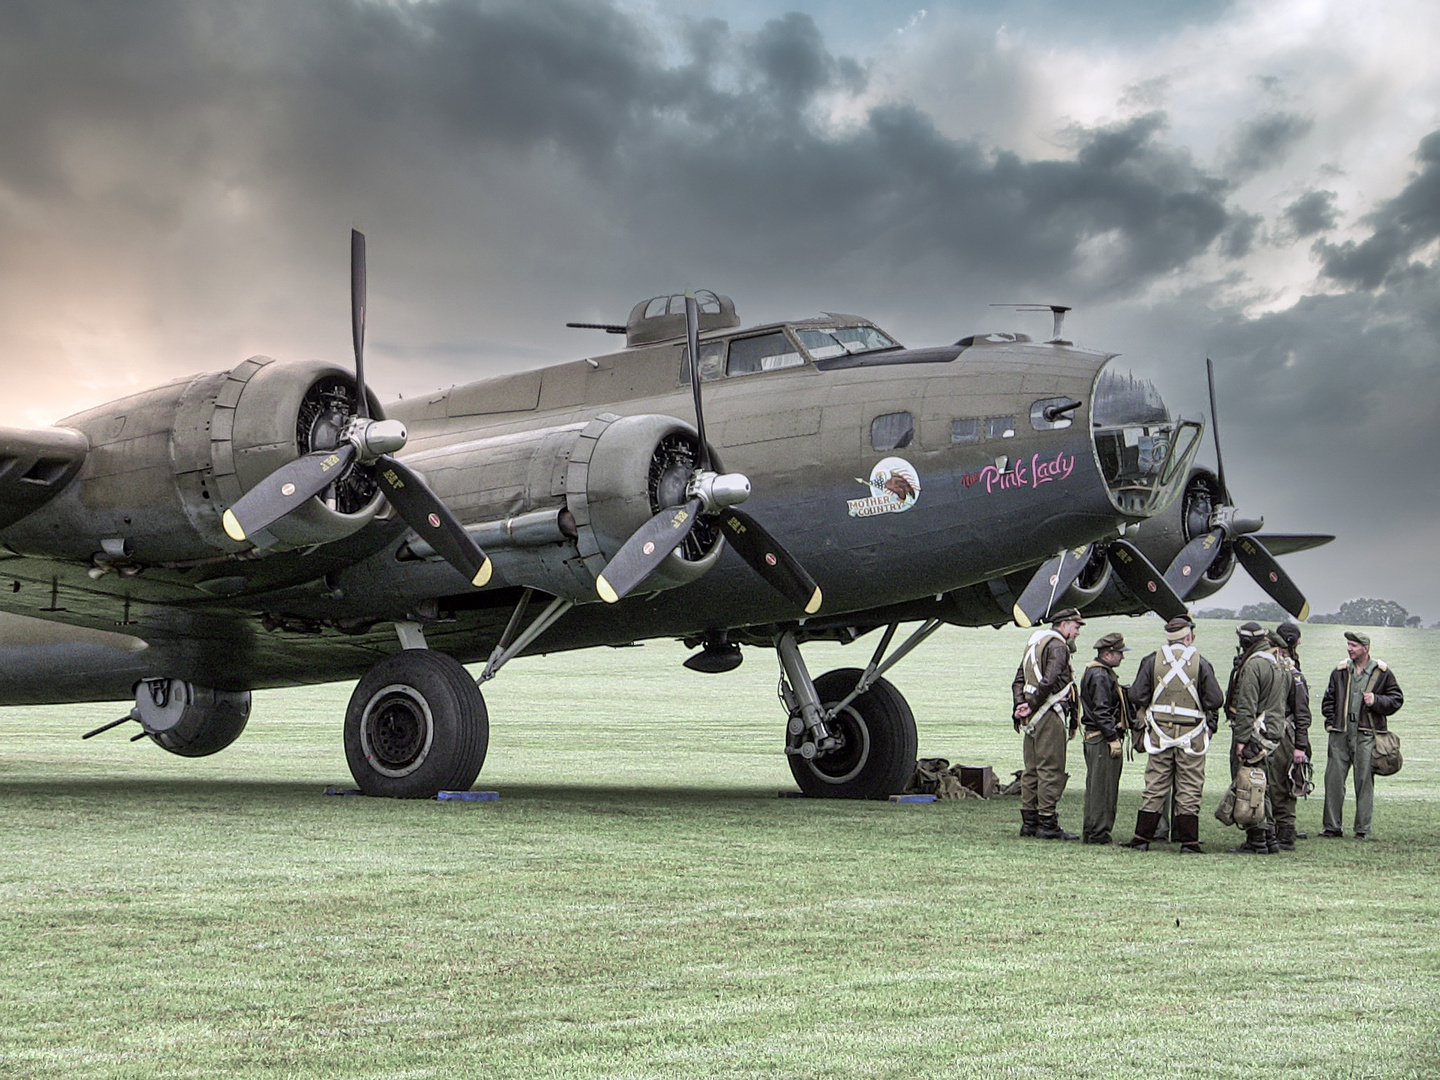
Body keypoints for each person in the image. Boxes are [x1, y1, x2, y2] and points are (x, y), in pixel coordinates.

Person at [1122, 615, 1224, 854]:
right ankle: (1189, 842)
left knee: (1155, 785)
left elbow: (1137, 695)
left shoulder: (1151, 661)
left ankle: (1141, 839)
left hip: (1159, 734)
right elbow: (1216, 700)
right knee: (1190, 787)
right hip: (1193, 735)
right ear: (1188, 636)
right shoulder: (1202, 663)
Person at [1319, 631, 1404, 840]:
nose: (1349, 649)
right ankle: (1332, 827)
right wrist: (1331, 722)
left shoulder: (1382, 672)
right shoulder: (1339, 671)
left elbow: (1396, 699)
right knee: (1333, 780)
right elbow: (1328, 700)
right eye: (1349, 645)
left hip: (1367, 735)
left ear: (1365, 648)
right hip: (1340, 734)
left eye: (1354, 645)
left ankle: (1362, 829)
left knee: (1364, 781)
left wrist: (1376, 700)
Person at [1012, 608, 1083, 840]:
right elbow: (1051, 679)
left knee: (1031, 771)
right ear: (1063, 625)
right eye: (1076, 626)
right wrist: (1032, 705)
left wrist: (1021, 705)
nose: (1078, 632)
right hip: (1048, 713)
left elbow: (1018, 680)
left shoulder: (1034, 642)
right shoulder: (1058, 646)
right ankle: (1047, 823)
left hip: (1032, 716)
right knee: (1050, 769)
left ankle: (1029, 823)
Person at [1225, 628, 1291, 854]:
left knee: (1250, 786)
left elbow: (1246, 705)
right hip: (1271, 732)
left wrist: (1242, 740)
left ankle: (1257, 839)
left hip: (1254, 733)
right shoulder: (1279, 663)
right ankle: (1270, 838)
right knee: (1265, 785)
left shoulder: (1254, 664)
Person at [1079, 631, 1131, 845]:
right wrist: (1112, 738)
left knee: (1096, 787)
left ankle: (1093, 831)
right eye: (1119, 653)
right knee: (1104, 789)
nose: (1122, 657)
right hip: (1101, 738)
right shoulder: (1101, 675)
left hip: (1096, 737)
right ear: (1108, 653)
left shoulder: (1096, 671)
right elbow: (1101, 711)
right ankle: (1099, 833)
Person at [1273, 622, 1313, 850]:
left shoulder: (1289, 671)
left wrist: (1300, 745)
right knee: (1280, 784)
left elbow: (1301, 711)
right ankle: (1282, 830)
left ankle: (1285, 833)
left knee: (1284, 783)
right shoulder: (1290, 668)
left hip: (1285, 733)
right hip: (1284, 732)